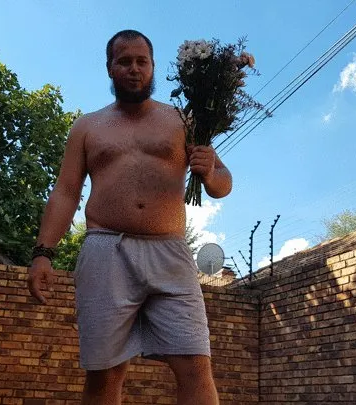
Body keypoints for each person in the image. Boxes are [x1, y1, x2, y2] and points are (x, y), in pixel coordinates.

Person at [27, 29, 232, 405]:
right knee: (105, 373)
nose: (133, 69)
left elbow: (223, 184)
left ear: (153, 67)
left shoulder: (182, 121)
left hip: (170, 253)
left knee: (195, 365)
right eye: (124, 61)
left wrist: (210, 171)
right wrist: (44, 252)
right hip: (107, 251)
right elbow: (66, 192)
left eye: (142, 61)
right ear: (110, 68)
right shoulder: (87, 126)